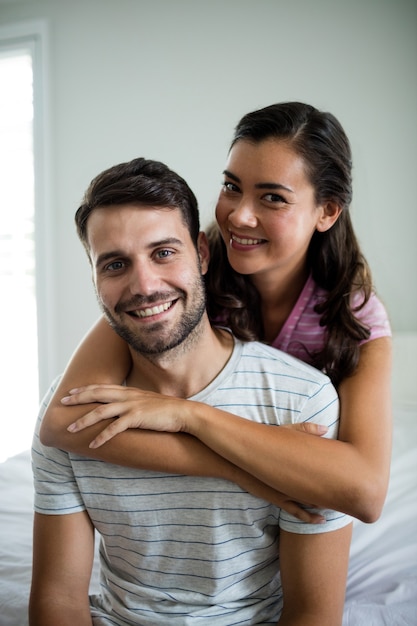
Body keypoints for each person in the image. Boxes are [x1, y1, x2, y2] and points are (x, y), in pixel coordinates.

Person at [30, 157, 352, 625]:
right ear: (95, 280)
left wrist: (190, 416)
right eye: (116, 264)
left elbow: (312, 615)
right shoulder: (70, 413)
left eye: (164, 253)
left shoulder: (300, 400)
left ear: (202, 253)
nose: (144, 285)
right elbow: (58, 598)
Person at [39, 102, 392, 523]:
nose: (239, 215)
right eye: (231, 187)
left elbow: (366, 493)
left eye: (273, 198)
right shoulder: (181, 283)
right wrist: (233, 467)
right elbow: (61, 423)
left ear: (327, 211)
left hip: (307, 519)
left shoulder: (354, 318)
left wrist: (193, 417)